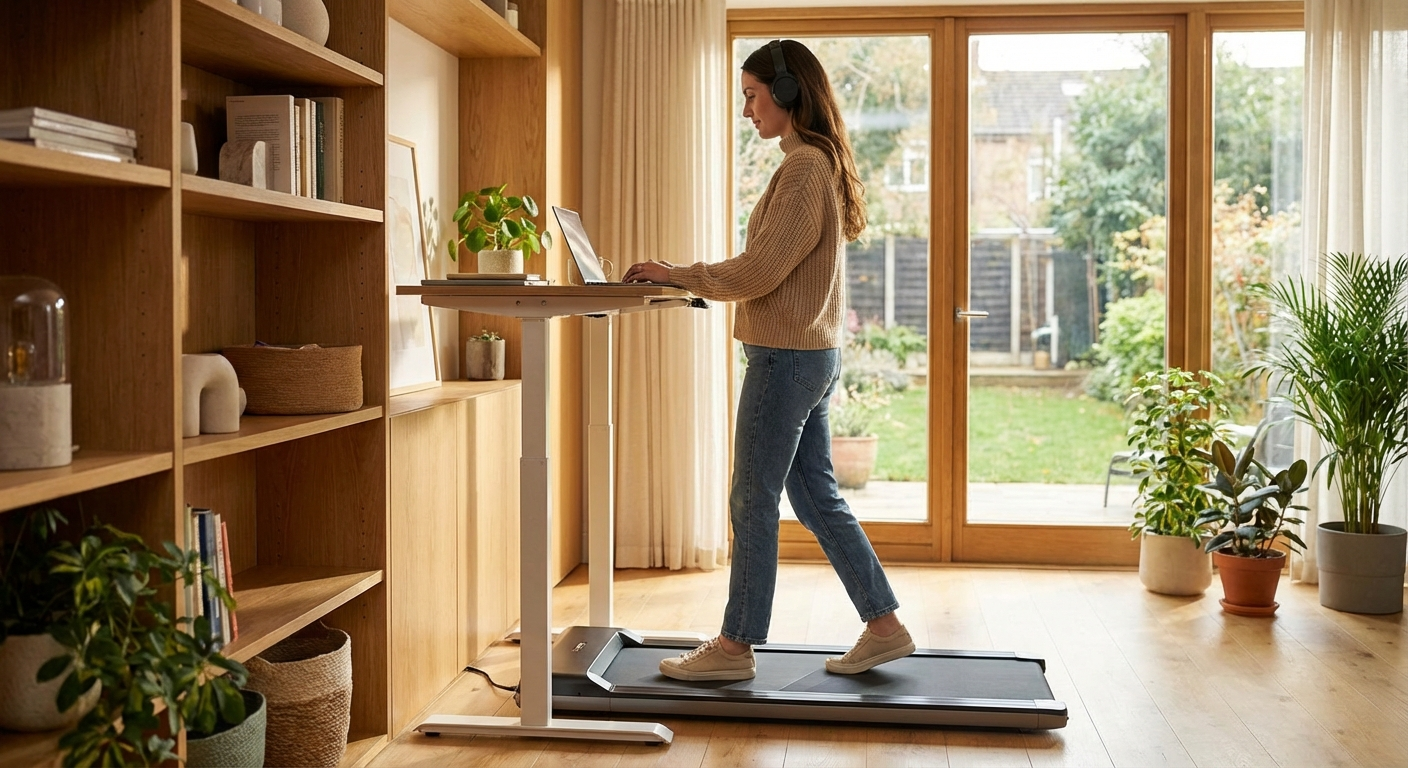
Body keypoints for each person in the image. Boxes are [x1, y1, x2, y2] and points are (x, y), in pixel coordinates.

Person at [623, 39, 914, 682]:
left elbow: (760, 270)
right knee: (814, 500)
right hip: (807, 355)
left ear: (786, 94)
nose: (747, 110)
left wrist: (679, 274)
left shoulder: (806, 167)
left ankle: (734, 648)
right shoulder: (811, 164)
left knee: (751, 499)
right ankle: (885, 625)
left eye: (753, 96)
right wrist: (685, 276)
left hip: (785, 359)